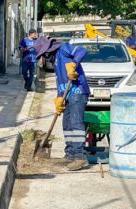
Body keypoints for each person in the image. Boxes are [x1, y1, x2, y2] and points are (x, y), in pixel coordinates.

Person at [34, 37, 90, 171]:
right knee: (67, 124)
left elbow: (82, 50)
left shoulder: (63, 49)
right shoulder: (55, 62)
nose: (44, 58)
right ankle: (70, 154)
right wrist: (59, 98)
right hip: (68, 94)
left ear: (48, 51)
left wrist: (73, 64)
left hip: (78, 91)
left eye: (43, 55)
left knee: (76, 123)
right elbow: (61, 82)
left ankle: (79, 157)